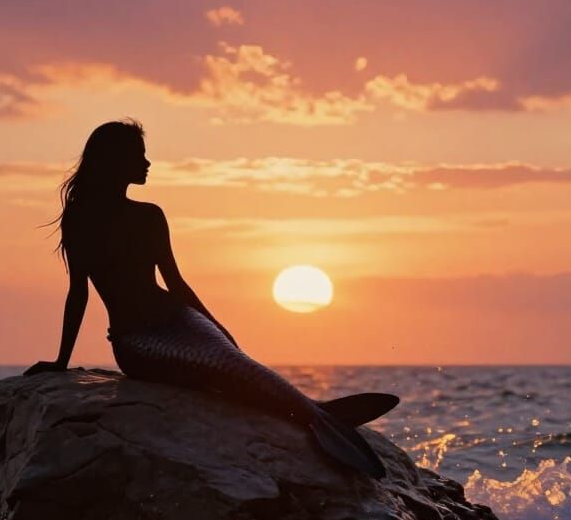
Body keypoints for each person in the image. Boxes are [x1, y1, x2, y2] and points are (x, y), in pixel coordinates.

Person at [24, 119, 387, 479]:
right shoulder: (81, 219)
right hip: (136, 341)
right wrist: (61, 361)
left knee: (234, 363)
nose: (147, 163)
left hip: (178, 317)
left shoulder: (150, 215)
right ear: (115, 161)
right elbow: (79, 292)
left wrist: (217, 328)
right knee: (221, 374)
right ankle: (317, 415)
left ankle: (315, 414)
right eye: (139, 156)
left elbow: (175, 283)